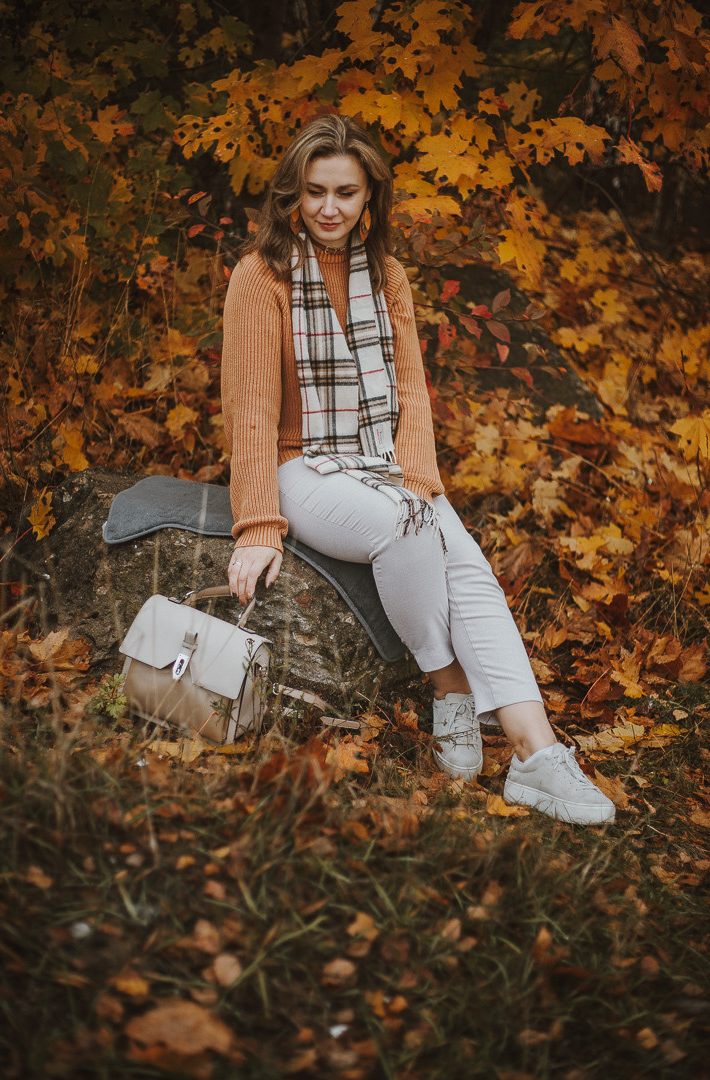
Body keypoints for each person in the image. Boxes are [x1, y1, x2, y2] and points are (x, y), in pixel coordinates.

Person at [221, 114, 615, 826]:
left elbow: (409, 393)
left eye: (346, 192)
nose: (331, 209)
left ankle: (536, 756)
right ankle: (450, 687)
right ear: (291, 196)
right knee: (406, 528)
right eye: (315, 192)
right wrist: (256, 525)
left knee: (463, 560)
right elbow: (250, 408)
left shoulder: (388, 274)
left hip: (380, 461)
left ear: (370, 196)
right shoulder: (260, 278)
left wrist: (423, 483)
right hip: (299, 465)